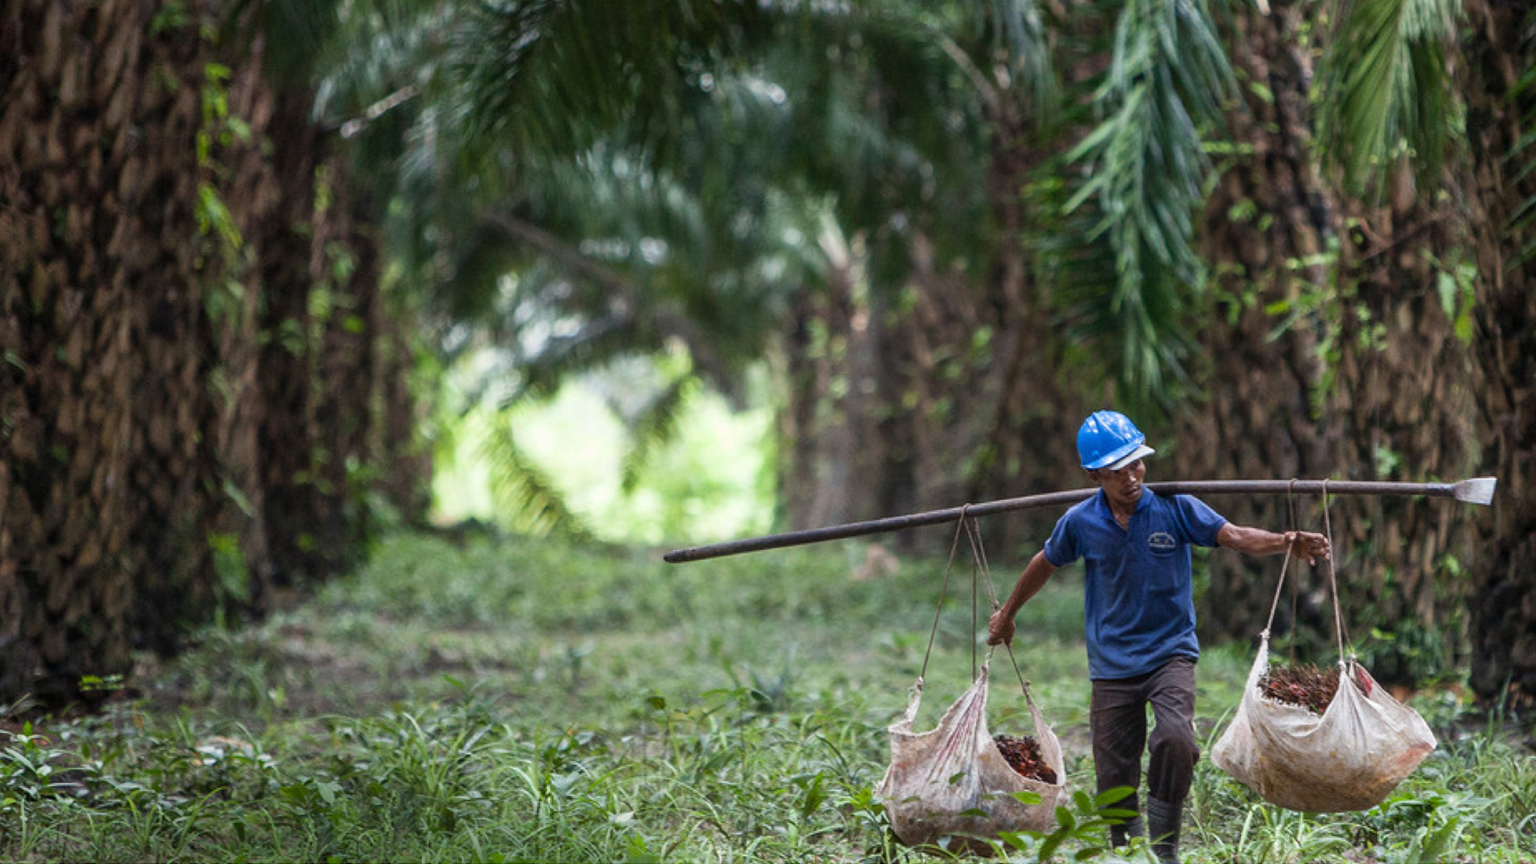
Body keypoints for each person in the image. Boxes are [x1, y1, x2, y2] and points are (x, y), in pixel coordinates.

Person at [987, 410, 1329, 864]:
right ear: (1094, 475)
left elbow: (1237, 536)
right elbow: (1042, 563)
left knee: (1176, 740)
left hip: (1171, 654)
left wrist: (1287, 541)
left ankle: (1165, 849)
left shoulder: (1177, 508)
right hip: (1111, 664)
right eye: (1117, 470)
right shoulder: (1080, 522)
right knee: (1114, 772)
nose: (1131, 477)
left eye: (1137, 464)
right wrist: (1008, 615)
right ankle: (1126, 853)